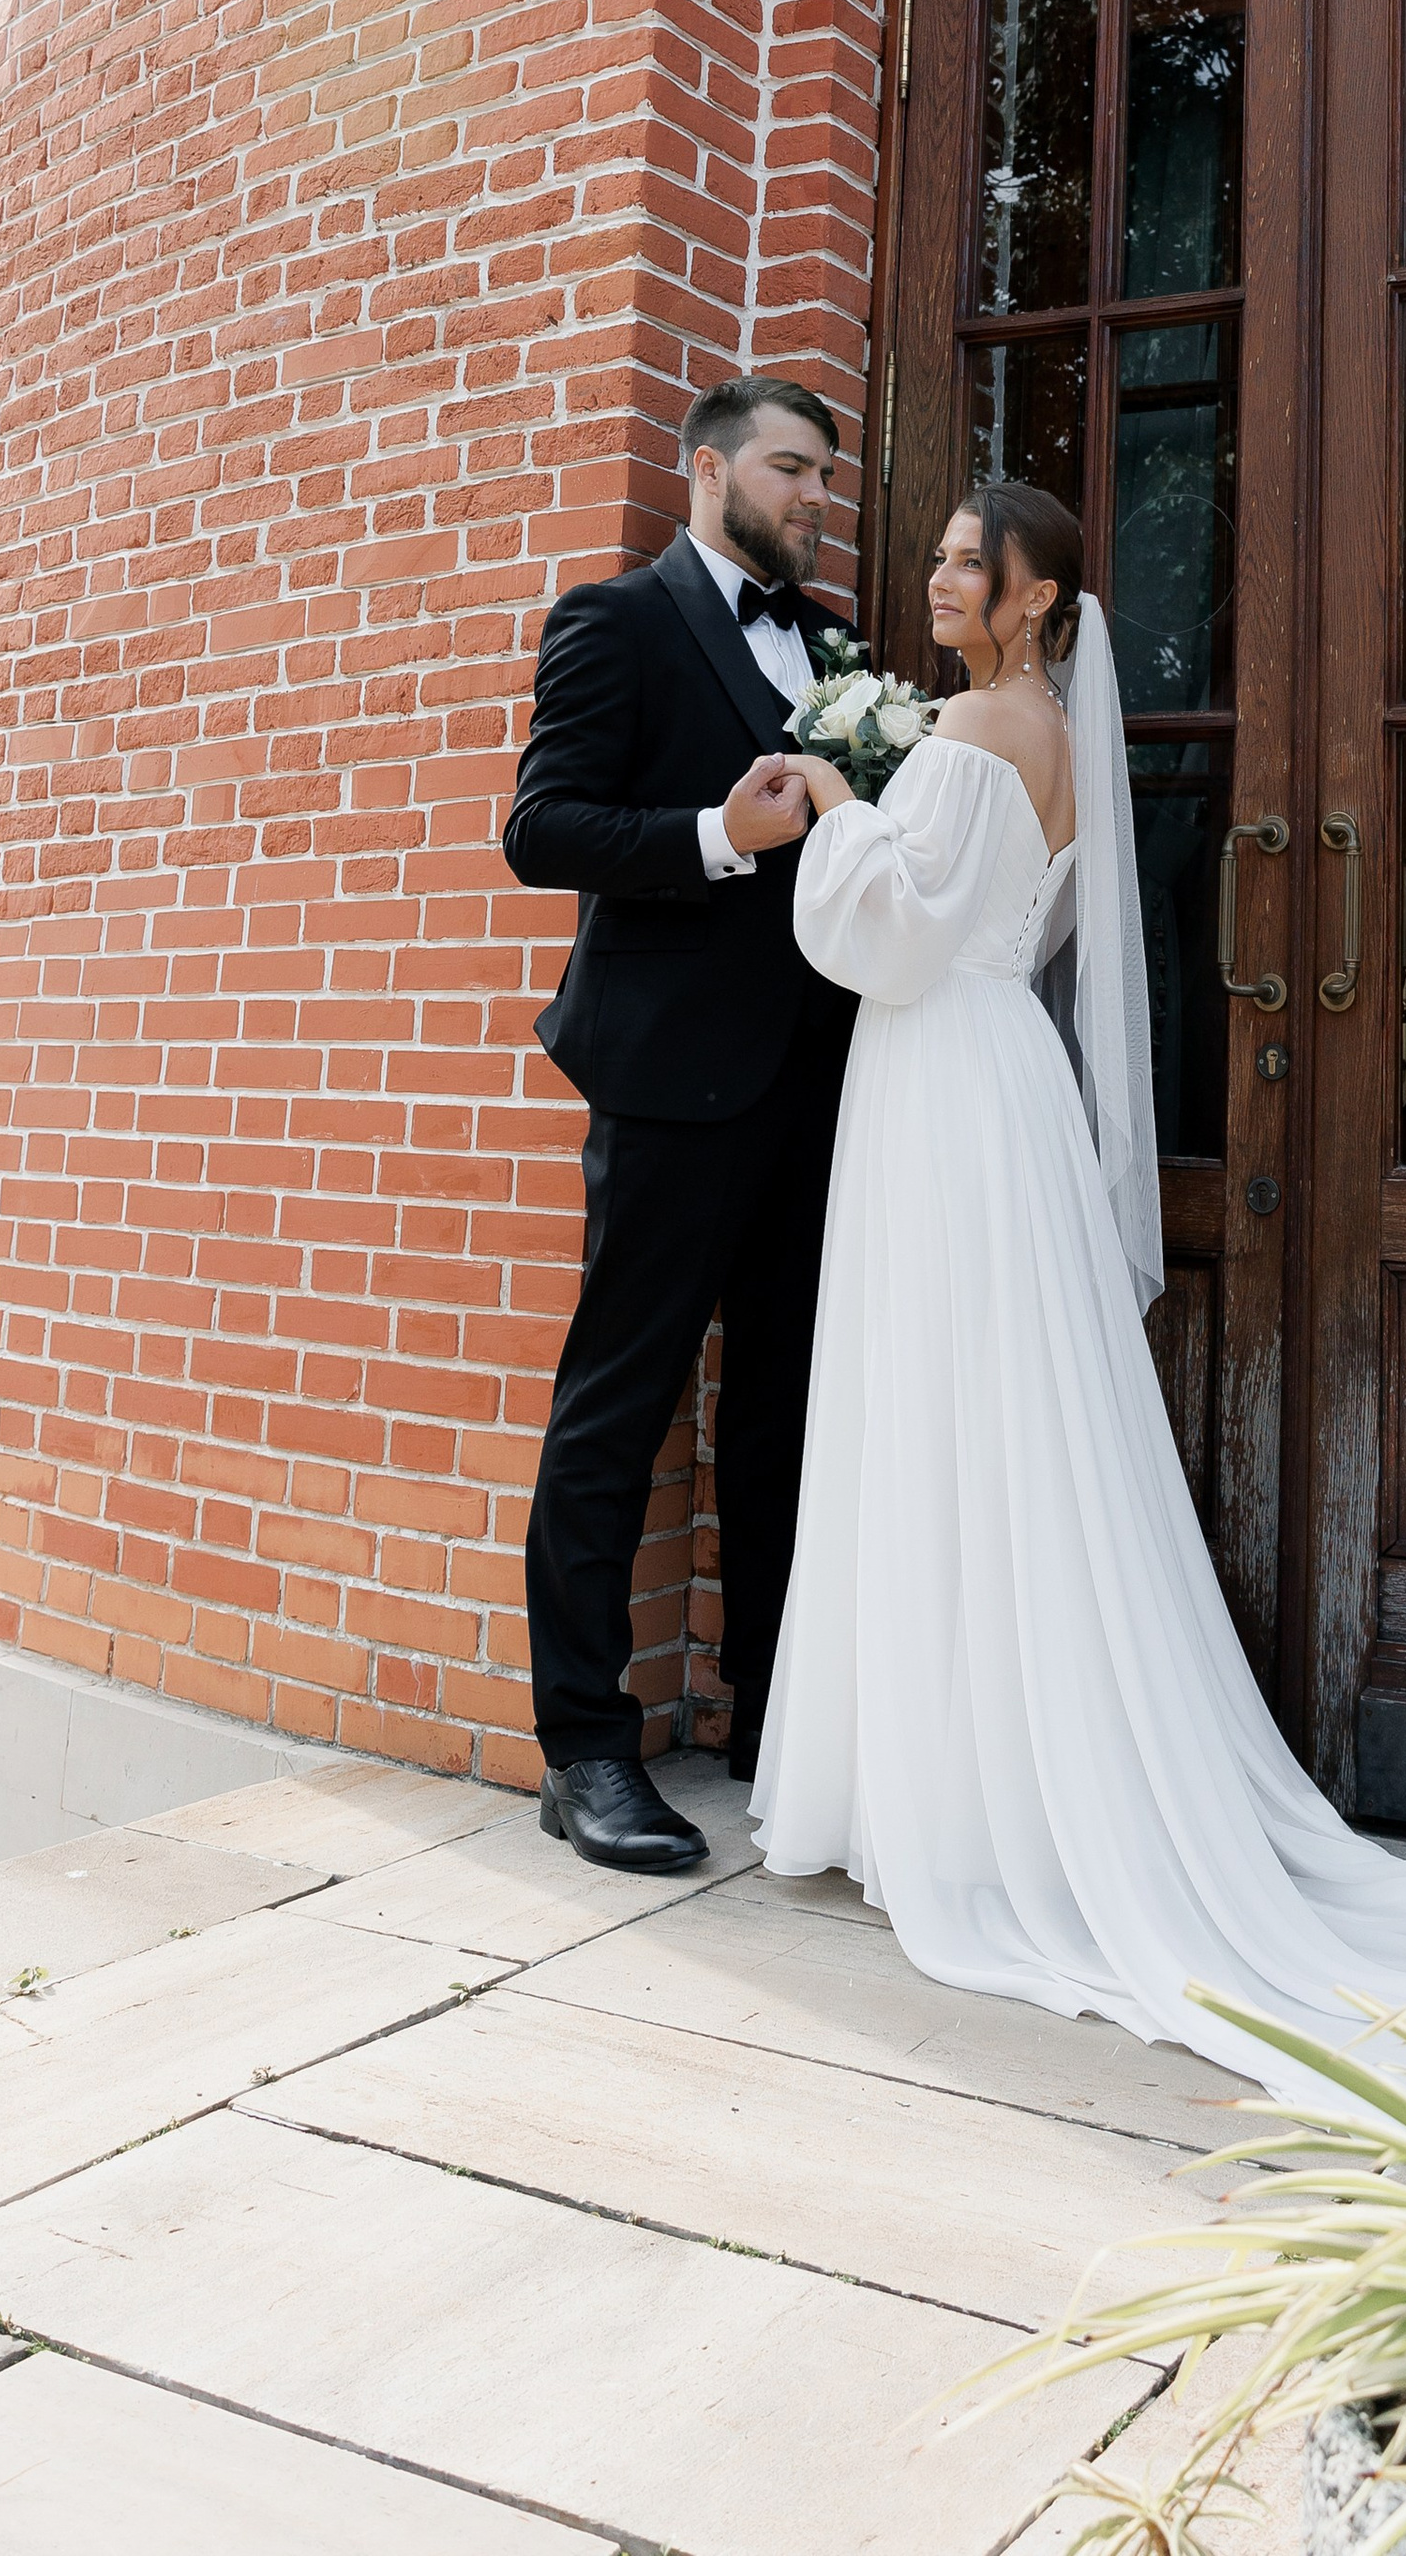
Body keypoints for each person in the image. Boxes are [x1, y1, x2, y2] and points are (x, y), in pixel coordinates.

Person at [752, 482, 1406, 2097]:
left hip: (939, 1084)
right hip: (996, 1082)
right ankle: (968, 1778)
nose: (940, 576)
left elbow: (889, 940)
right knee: (990, 1421)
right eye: (944, 556)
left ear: (1034, 602)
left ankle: (944, 1801)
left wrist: (834, 797)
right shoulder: (1044, 739)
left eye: (972, 562)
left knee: (937, 1411)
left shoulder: (969, 739)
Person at [503, 376, 859, 1873]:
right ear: (707, 470)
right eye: (790, 471)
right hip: (665, 1085)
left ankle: (772, 1721)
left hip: (817, 1085)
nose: (812, 501)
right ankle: (584, 1751)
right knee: (619, 1408)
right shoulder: (615, 619)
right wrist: (725, 836)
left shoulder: (838, 649)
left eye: (825, 483)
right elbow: (544, 830)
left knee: (780, 1413)